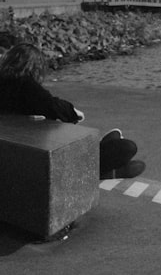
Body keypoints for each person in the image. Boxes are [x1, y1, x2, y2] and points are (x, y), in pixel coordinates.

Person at [0, 43, 145, 179]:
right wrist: (74, 113)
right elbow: (52, 105)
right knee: (127, 147)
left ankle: (104, 155)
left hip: (10, 154)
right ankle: (103, 168)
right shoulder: (25, 85)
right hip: (33, 160)